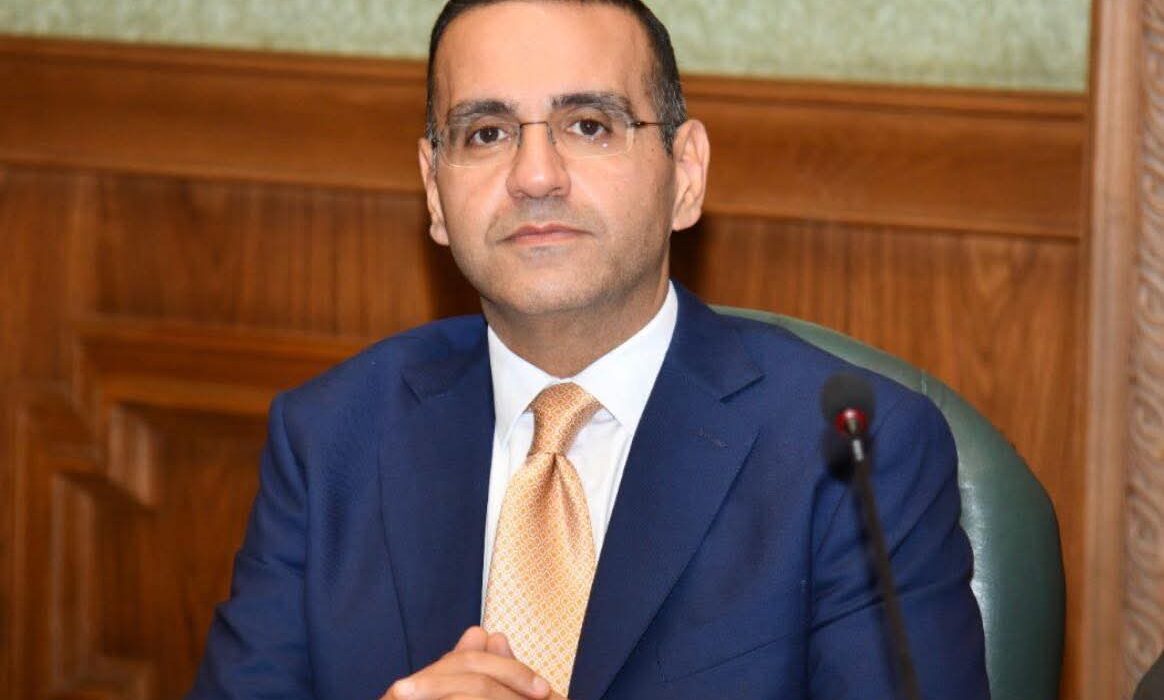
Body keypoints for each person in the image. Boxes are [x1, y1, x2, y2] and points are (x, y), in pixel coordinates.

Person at [189, 1, 989, 698]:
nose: (536, 176)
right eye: (487, 132)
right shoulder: (329, 440)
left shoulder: (852, 455)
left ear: (685, 174)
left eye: (589, 125)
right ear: (434, 189)